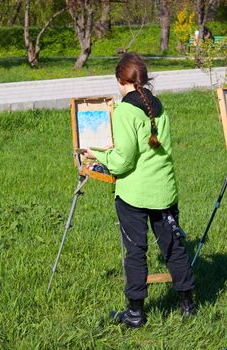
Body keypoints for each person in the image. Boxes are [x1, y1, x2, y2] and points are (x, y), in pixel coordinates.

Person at [83, 52, 196, 328]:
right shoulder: (159, 106)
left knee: (135, 251)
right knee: (174, 248)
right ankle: (189, 307)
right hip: (164, 191)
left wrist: (97, 156)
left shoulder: (125, 110)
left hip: (134, 195)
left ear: (121, 81)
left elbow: (123, 161)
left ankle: (135, 314)